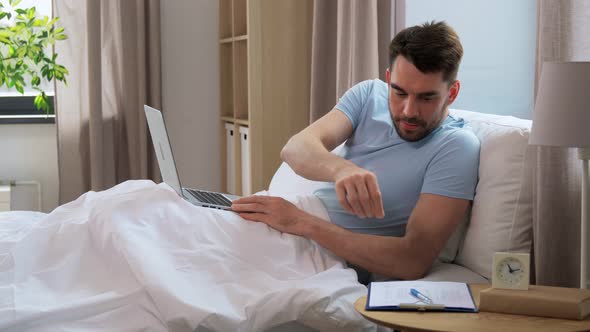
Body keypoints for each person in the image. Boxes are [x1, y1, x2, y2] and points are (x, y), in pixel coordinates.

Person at [231, 21, 480, 282]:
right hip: (287, 220)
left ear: (451, 93)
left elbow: (412, 260)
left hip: (316, 248)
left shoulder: (456, 147)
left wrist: (301, 223)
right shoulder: (368, 95)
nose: (408, 111)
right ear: (388, 80)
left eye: (426, 98)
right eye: (399, 92)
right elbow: (295, 148)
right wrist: (342, 170)